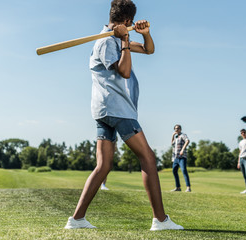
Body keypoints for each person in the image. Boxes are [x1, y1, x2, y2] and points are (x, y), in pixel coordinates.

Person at [64, 0, 183, 231]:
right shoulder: (107, 41)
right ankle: (160, 220)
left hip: (103, 110)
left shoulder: (114, 38)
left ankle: (76, 219)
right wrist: (126, 40)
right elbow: (125, 72)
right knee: (147, 157)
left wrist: (145, 34)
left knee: (104, 165)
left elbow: (149, 49)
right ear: (127, 21)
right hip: (116, 108)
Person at [171, 124, 191, 192]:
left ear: (180, 129)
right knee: (174, 171)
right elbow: (172, 144)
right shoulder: (176, 137)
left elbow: (187, 141)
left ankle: (188, 188)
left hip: (182, 157)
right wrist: (173, 136)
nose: (176, 130)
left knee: (184, 171)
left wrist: (182, 149)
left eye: (177, 128)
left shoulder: (183, 135)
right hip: (176, 158)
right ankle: (178, 187)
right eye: (175, 129)